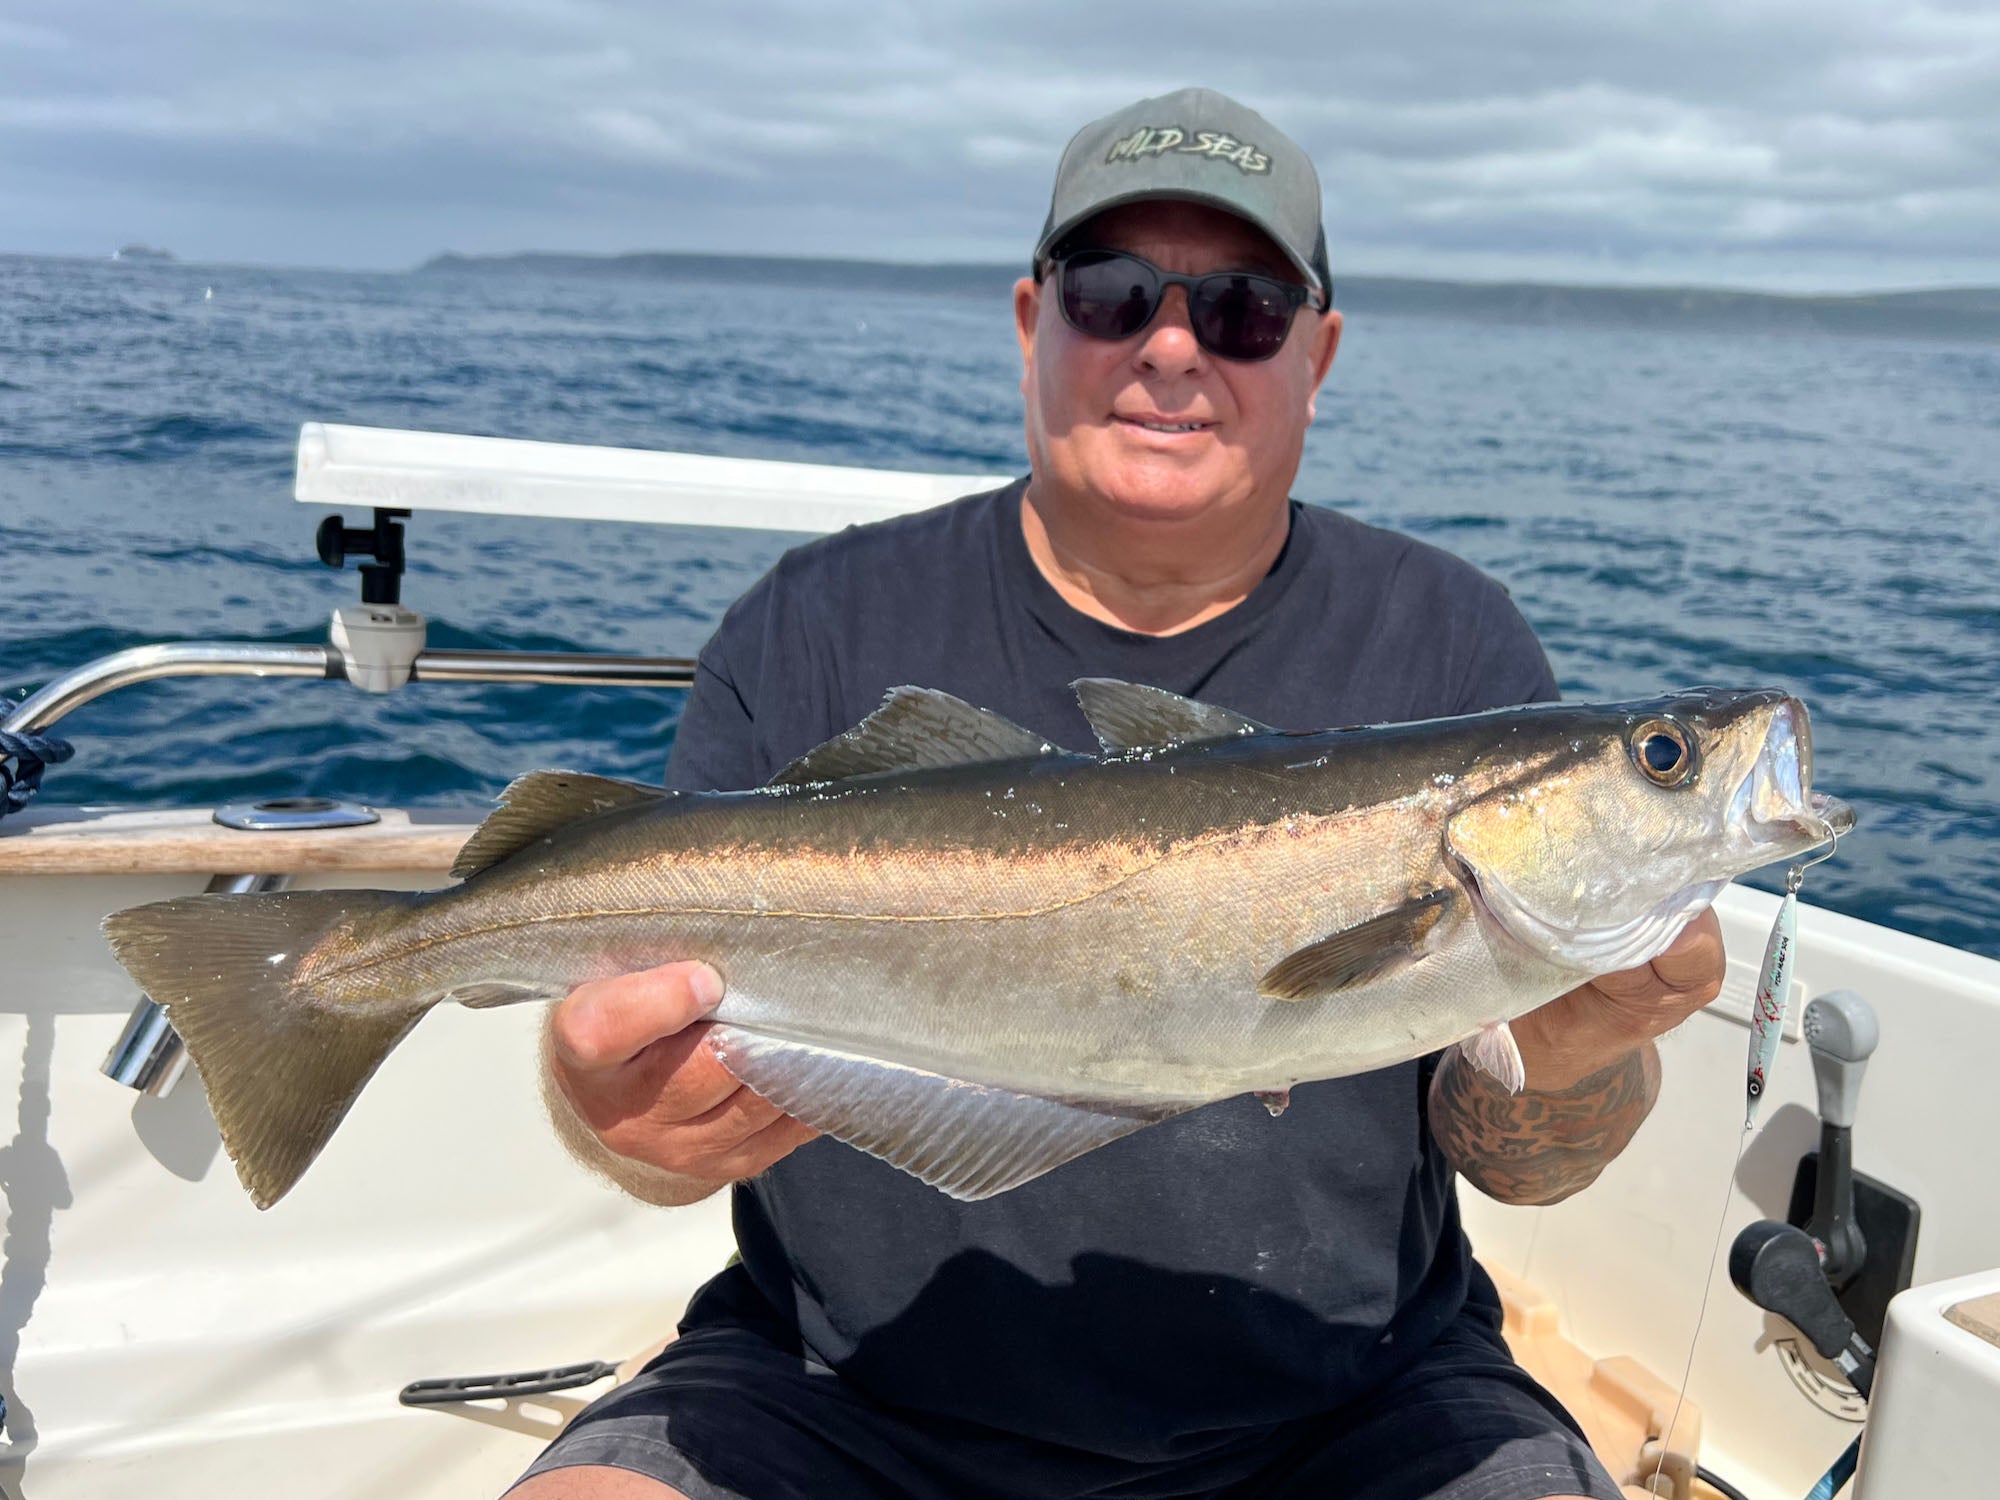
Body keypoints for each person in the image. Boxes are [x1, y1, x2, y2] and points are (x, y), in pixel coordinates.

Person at [508, 88, 1726, 1500]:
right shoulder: (812, 622)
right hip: (833, 1387)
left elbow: (1519, 1163)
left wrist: (1579, 1057)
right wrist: (620, 1117)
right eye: (1112, 293)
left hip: (1355, 1404)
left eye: (1245, 308)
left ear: (1317, 354)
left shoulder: (1452, 648)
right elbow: (657, 1087)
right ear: (1035, 322)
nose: (1170, 347)